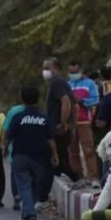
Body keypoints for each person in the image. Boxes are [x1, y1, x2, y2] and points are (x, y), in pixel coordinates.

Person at [3, 86, 59, 220]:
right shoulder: (43, 117)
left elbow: (8, 137)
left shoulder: (18, 117)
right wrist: (55, 154)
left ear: (22, 99)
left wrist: (4, 150)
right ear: (38, 99)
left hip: (20, 157)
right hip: (39, 159)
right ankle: (29, 212)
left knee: (24, 185)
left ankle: (28, 212)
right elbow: (50, 138)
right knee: (34, 186)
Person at [42, 57, 80, 185]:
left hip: (58, 128)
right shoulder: (63, 82)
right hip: (64, 128)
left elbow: (66, 102)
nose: (45, 71)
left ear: (56, 68)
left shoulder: (57, 82)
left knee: (58, 159)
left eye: (47, 68)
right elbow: (74, 106)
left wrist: (63, 122)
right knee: (61, 159)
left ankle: (76, 179)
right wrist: (72, 126)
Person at [67, 60, 101, 188]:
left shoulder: (89, 84)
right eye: (71, 72)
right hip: (70, 123)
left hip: (84, 121)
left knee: (89, 150)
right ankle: (79, 177)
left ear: (80, 70)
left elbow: (95, 100)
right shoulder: (67, 84)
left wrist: (82, 101)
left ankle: (93, 177)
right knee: (72, 151)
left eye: (75, 71)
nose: (73, 74)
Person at [2, 98, 27, 211]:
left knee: (15, 173)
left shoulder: (13, 111)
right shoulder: (37, 112)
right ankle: (28, 198)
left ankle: (16, 196)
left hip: (15, 148)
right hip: (34, 149)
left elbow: (6, 130)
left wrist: (5, 147)